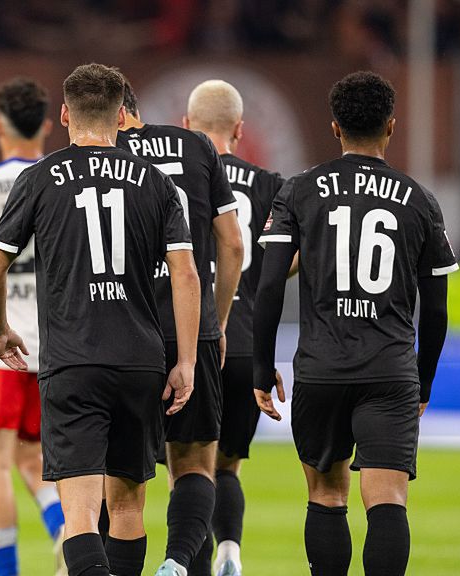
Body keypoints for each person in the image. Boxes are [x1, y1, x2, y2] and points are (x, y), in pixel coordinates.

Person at [0, 63, 200, 576]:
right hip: (141, 359)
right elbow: (186, 277)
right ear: (122, 116)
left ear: (64, 114)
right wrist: (185, 359)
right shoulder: (157, 183)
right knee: (127, 507)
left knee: (79, 511)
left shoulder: (38, 178)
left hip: (72, 361)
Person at [253, 71, 456, 576]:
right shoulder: (419, 200)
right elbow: (435, 309)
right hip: (389, 372)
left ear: (335, 128)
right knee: (387, 498)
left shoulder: (299, 192)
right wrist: (423, 381)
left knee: (325, 495)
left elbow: (271, 285)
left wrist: (261, 368)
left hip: (321, 368)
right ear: (391, 126)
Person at [116, 76, 244, 576]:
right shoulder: (196, 146)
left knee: (122, 478)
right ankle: (177, 562)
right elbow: (232, 244)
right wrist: (219, 316)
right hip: (193, 326)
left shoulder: (106, 154)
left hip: (124, 331)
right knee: (195, 464)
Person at [0, 77, 67, 576]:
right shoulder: (62, 179)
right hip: (54, 341)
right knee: (36, 457)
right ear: (46, 125)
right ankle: (67, 531)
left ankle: (7, 573)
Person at [181, 79, 287, 576]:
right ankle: (231, 551)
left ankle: (196, 563)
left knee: (188, 469)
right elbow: (294, 255)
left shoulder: (174, 178)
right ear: (240, 131)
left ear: (185, 126)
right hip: (246, 345)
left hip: (192, 337)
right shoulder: (268, 185)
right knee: (227, 466)